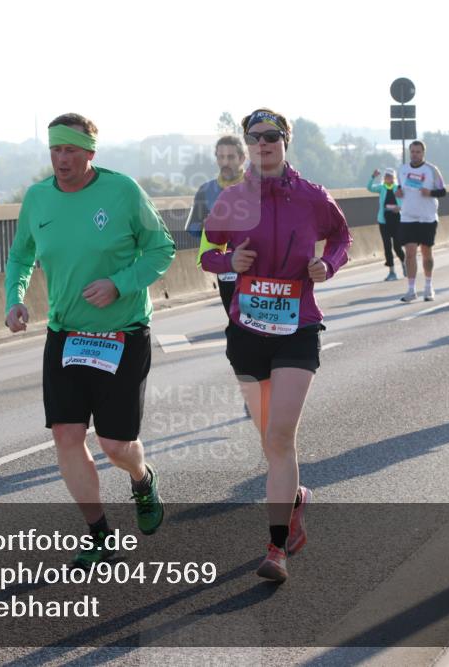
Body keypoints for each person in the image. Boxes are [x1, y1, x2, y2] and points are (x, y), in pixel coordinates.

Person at [4, 113, 175, 567]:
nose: (62, 159)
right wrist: (14, 299)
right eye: (56, 150)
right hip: (66, 334)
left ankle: (140, 477)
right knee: (66, 434)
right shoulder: (38, 199)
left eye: (71, 150)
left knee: (116, 445)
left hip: (122, 333)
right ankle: (99, 533)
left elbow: (162, 248)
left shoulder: (122, 192)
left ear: (90, 153)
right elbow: (21, 255)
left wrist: (120, 283)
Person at [201, 108, 352, 583]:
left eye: (271, 137)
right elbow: (205, 251)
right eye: (254, 138)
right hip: (247, 331)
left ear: (286, 142)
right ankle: (296, 500)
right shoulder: (231, 199)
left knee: (281, 436)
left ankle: (276, 548)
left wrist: (328, 265)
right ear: (246, 145)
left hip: (297, 326)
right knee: (269, 438)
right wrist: (228, 258)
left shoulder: (312, 197)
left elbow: (343, 236)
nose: (262, 145)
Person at [185, 135, 246, 312]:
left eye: (231, 157)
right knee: (234, 320)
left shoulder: (258, 187)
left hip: (256, 266)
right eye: (221, 157)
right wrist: (207, 226)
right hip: (225, 267)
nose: (225, 162)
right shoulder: (205, 190)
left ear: (242, 158)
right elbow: (193, 229)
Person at [397, 140, 447, 302]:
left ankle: (428, 286)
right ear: (409, 152)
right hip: (407, 217)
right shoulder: (403, 169)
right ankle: (411, 290)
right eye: (412, 151)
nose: (415, 154)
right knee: (410, 253)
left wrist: (430, 192)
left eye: (418, 152)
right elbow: (400, 187)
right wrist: (398, 192)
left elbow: (443, 191)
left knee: (426, 253)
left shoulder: (432, 170)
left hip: (427, 217)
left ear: (423, 153)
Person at [367, 168, 404, 280]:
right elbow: (369, 188)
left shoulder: (398, 188)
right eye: (386, 176)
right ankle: (392, 272)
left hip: (397, 219)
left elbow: (405, 201)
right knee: (387, 246)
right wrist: (373, 177)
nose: (388, 178)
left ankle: (404, 264)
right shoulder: (381, 188)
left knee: (397, 246)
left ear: (394, 178)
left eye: (390, 176)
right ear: (384, 177)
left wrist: (399, 208)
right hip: (384, 220)